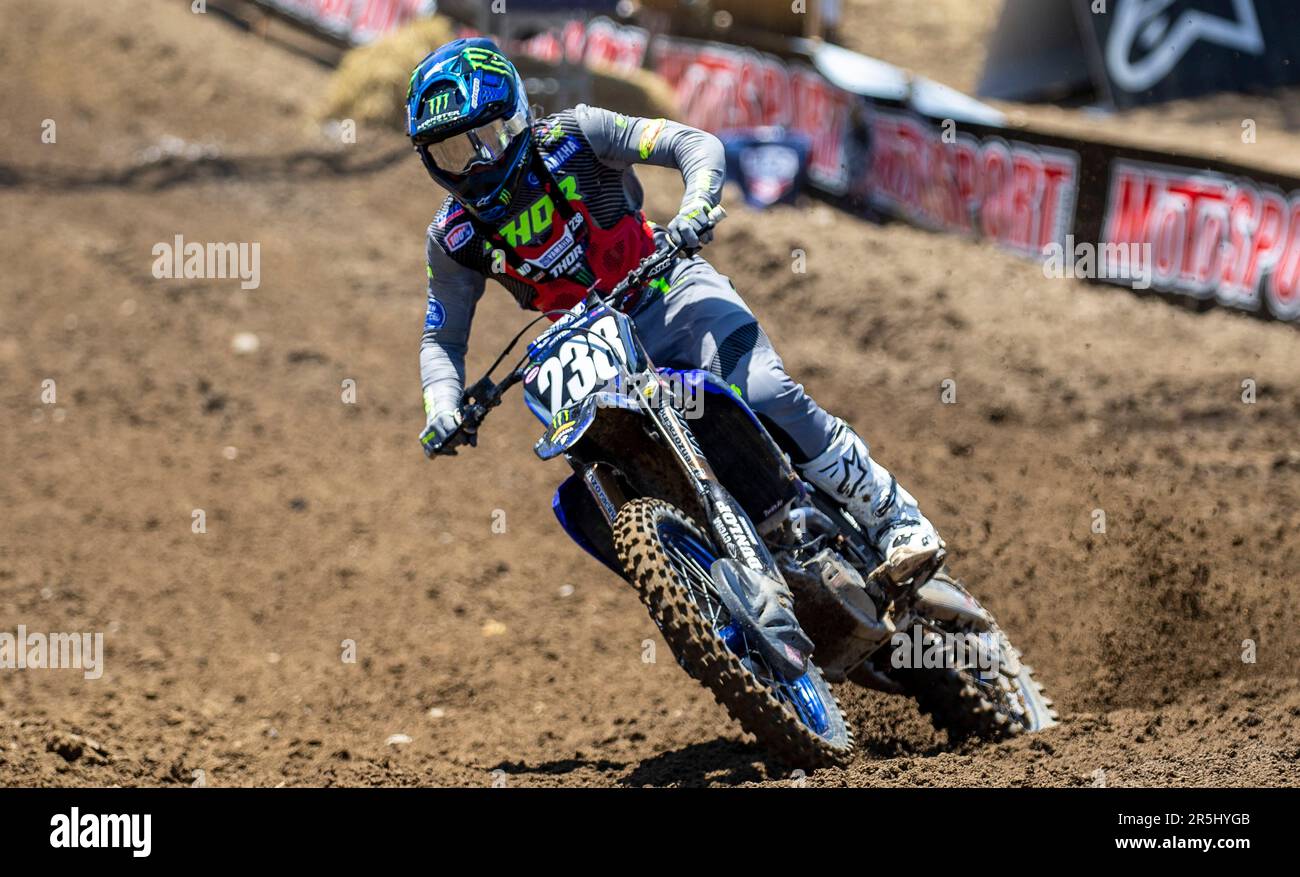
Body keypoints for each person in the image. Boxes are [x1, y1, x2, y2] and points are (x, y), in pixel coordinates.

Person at [409, 38, 941, 577]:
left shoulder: (576, 134)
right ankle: (706, 584)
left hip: (668, 288)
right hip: (590, 349)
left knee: (763, 390)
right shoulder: (451, 237)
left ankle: (892, 516)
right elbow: (442, 338)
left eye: (485, 139)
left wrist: (698, 205)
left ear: (516, 117)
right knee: (609, 469)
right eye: (452, 153)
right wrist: (444, 407)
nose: (474, 163)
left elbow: (693, 143)